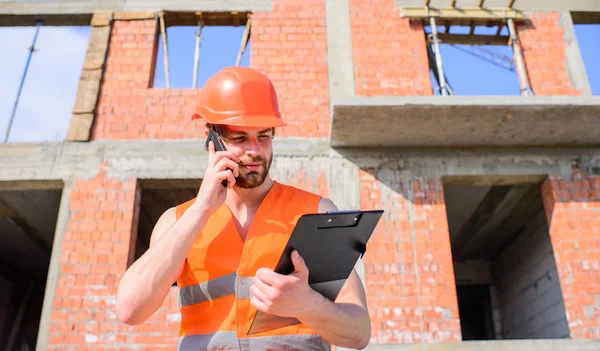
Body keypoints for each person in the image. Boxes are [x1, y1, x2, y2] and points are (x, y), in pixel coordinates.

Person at [115, 66, 371, 350]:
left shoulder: (316, 211)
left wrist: (309, 305)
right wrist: (201, 209)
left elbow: (358, 333)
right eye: (239, 137)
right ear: (211, 139)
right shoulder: (177, 220)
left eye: (264, 135)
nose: (254, 150)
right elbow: (129, 310)